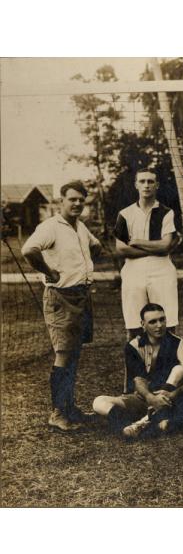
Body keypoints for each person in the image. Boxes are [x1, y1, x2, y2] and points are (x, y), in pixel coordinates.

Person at [22, 181, 102, 431]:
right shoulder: (50, 227)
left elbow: (96, 246)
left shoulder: (80, 226)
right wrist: (48, 271)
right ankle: (57, 413)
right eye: (72, 199)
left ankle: (70, 407)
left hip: (81, 295)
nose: (77, 203)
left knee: (75, 353)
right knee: (64, 354)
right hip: (61, 296)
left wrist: (85, 267)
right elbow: (29, 250)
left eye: (81, 200)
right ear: (61, 201)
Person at [92, 303, 183, 438]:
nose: (159, 325)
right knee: (98, 402)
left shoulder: (178, 343)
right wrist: (151, 398)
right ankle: (145, 420)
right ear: (143, 324)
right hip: (143, 397)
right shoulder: (134, 345)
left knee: (179, 369)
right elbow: (138, 380)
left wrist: (175, 394)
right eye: (153, 322)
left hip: (170, 398)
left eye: (162, 319)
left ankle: (141, 424)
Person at [114, 168, 179, 339]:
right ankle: (136, 365)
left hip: (162, 269)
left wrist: (137, 242)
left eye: (150, 181)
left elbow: (165, 246)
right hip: (133, 270)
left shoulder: (167, 212)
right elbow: (121, 249)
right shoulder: (125, 214)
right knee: (134, 325)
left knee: (167, 323)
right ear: (136, 185)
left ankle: (168, 365)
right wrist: (153, 249)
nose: (146, 185)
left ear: (157, 185)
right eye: (142, 181)